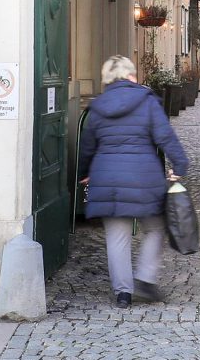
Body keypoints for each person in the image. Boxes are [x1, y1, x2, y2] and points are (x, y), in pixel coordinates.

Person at [77, 54, 189, 309]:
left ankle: (123, 293)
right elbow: (165, 137)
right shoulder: (147, 101)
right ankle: (145, 279)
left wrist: (83, 172)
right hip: (144, 178)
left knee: (117, 238)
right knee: (156, 227)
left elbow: (87, 147)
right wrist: (180, 165)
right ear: (130, 76)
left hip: (107, 178)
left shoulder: (97, 107)